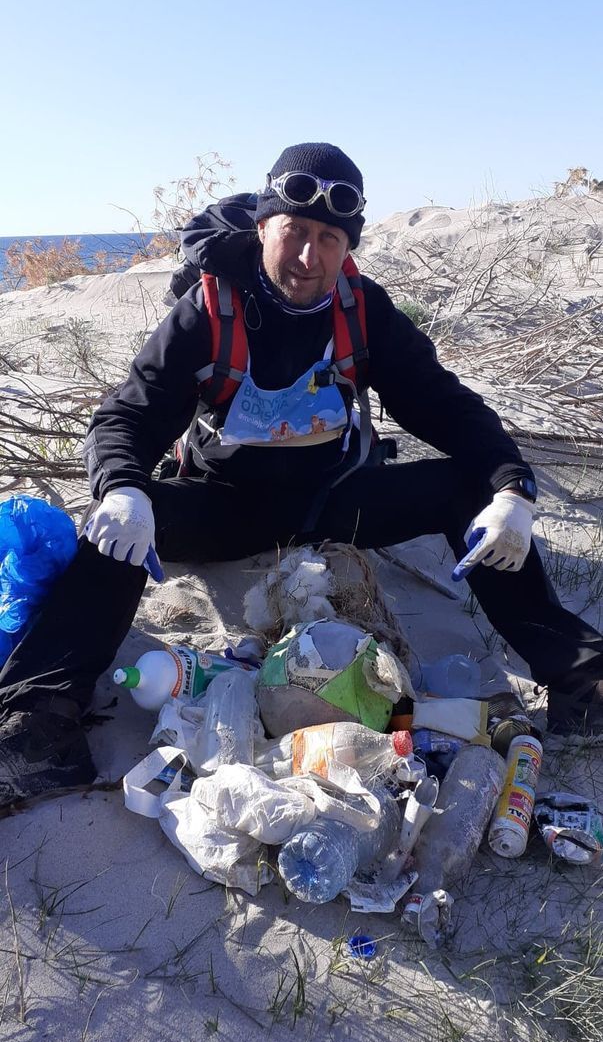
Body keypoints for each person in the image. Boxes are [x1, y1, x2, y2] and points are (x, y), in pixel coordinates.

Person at [0, 142, 601, 810]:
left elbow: (444, 406)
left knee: (470, 490)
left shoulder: (361, 310)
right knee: (110, 530)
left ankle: (582, 678)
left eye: (329, 239)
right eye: (294, 232)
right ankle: (38, 722)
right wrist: (121, 487)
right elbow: (129, 416)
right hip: (224, 505)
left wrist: (512, 487)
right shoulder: (208, 309)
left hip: (336, 498)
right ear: (263, 227)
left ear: (348, 248)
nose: (309, 257)